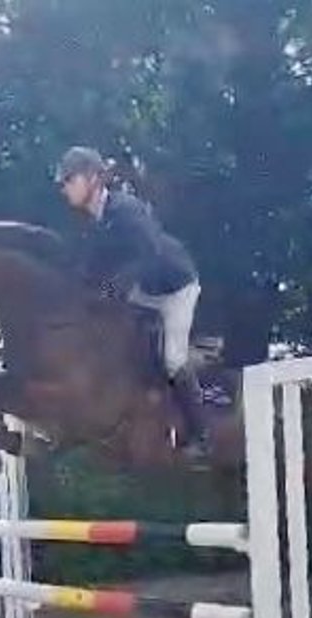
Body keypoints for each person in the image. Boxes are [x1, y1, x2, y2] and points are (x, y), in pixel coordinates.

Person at [54, 145, 209, 458]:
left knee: (174, 360)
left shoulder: (125, 209)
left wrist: (118, 285)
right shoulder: (95, 222)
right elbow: (90, 272)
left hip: (174, 287)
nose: (64, 188)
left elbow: (150, 252)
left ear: (93, 179)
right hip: (143, 292)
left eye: (70, 180)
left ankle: (200, 434)